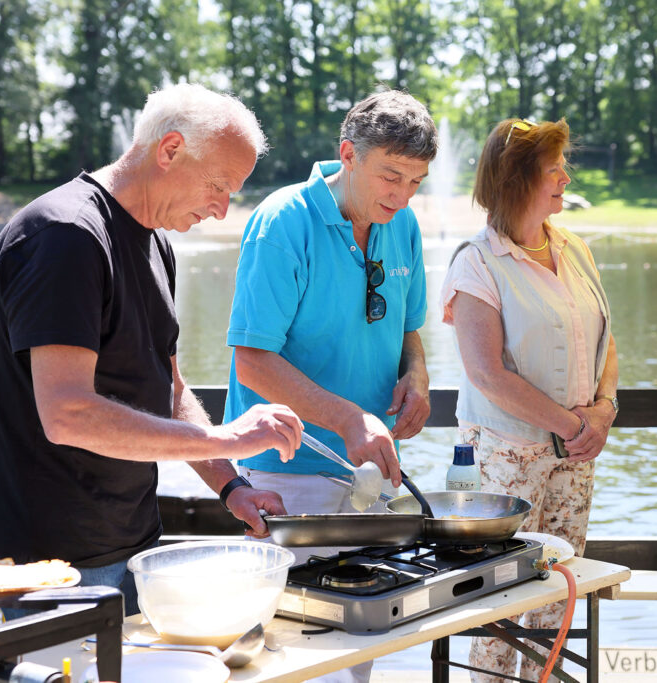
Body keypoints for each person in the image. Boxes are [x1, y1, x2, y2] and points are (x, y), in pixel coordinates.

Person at [0, 83, 302, 617]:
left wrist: (231, 486)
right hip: (45, 571)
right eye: (219, 186)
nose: (221, 211)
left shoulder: (156, 240)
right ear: (169, 150)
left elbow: (170, 392)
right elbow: (68, 415)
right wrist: (223, 437)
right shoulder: (64, 235)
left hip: (133, 551)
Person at [223, 90, 436, 681]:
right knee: (290, 658)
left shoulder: (405, 224)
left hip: (369, 477)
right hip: (286, 478)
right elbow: (253, 362)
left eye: (416, 181)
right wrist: (348, 419)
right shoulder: (281, 222)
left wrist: (416, 378)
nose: (401, 196)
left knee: (357, 659)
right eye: (391, 177)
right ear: (348, 154)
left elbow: (409, 331)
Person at [439, 118, 618, 682]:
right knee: (496, 603)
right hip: (501, 460)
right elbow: (486, 374)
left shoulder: (574, 247)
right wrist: (573, 422)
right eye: (553, 169)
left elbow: (606, 340)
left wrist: (605, 409)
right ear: (516, 181)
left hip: (574, 454)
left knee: (558, 595)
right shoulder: (476, 262)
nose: (566, 177)